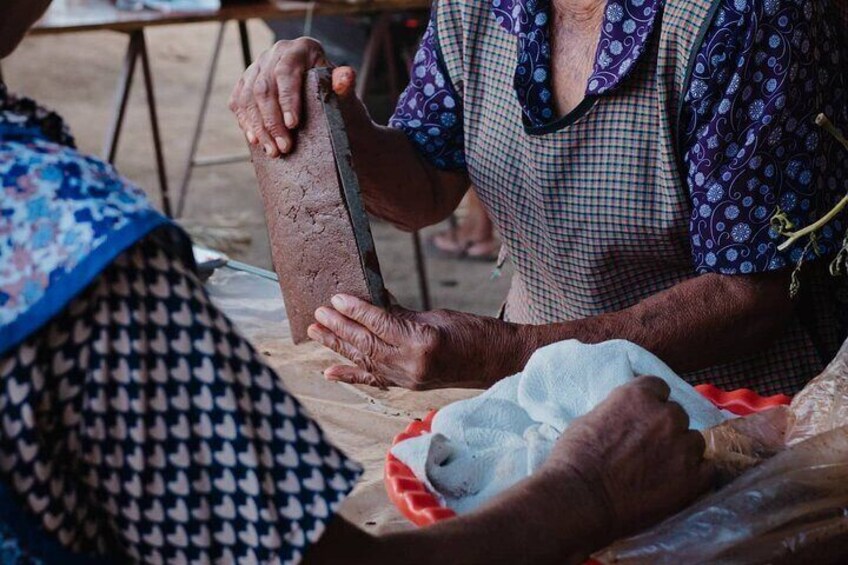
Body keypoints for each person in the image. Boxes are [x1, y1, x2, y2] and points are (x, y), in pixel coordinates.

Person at [1, 2, 711, 563]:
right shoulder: (71, 247)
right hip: (560, 419)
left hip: (721, 413)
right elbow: (425, 180)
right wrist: (583, 491)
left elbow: (765, 288)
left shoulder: (737, 17)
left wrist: (506, 356)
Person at [231, 0, 848, 396]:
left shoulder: (750, 17)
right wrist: (333, 123)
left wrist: (511, 353)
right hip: (539, 396)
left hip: (737, 411)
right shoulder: (481, 8)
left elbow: (753, 297)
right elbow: (425, 181)